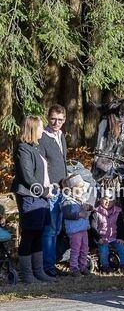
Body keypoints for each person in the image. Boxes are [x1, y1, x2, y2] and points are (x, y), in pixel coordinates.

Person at [12, 116, 56, 284]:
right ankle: (27, 274)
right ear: (32, 129)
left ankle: (39, 271)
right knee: (29, 235)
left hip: (42, 197)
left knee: (39, 234)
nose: (42, 131)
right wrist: (44, 192)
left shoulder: (35, 148)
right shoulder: (23, 149)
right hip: (30, 197)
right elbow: (27, 177)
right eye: (40, 128)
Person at [39, 104, 68, 278]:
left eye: (60, 119)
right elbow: (42, 165)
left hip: (63, 188)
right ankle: (47, 266)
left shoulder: (61, 135)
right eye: (53, 119)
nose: (56, 122)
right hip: (51, 190)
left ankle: (52, 263)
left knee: (57, 229)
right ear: (48, 118)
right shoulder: (43, 137)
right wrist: (47, 187)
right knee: (49, 229)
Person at [61, 174, 93, 277]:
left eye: (83, 187)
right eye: (80, 187)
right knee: (76, 248)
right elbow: (66, 214)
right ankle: (74, 268)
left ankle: (82, 266)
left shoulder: (81, 199)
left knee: (85, 248)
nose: (83, 189)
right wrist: (78, 214)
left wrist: (89, 208)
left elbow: (89, 208)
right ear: (72, 189)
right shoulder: (67, 200)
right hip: (74, 230)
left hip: (83, 228)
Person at [93, 189, 124, 273]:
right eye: (105, 199)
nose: (108, 202)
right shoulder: (96, 212)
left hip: (114, 237)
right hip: (101, 238)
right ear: (101, 199)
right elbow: (93, 227)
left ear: (114, 201)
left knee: (122, 247)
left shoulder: (118, 211)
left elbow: (121, 226)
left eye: (111, 200)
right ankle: (105, 266)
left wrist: (120, 238)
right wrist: (99, 238)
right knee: (104, 249)